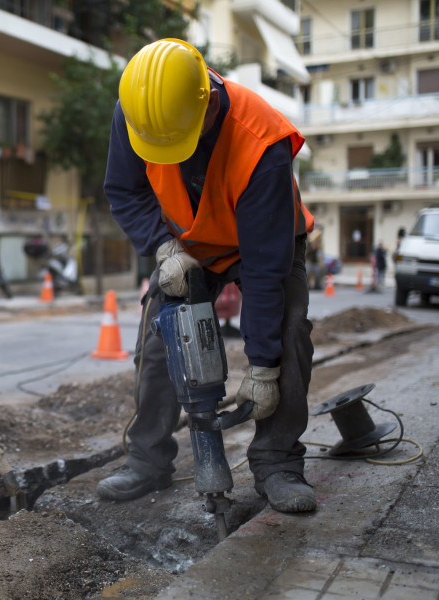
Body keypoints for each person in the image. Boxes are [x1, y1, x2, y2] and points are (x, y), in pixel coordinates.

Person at [99, 39, 317, 513]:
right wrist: (163, 249)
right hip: (185, 244)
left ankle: (277, 462)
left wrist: (261, 366)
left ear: (207, 103)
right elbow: (124, 190)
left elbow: (264, 270)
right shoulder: (137, 110)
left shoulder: (262, 140)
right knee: (158, 337)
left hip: (261, 242)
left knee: (288, 330)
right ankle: (147, 459)